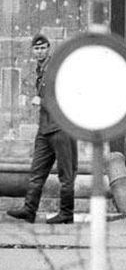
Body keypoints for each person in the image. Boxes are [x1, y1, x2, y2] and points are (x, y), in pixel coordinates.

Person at [7, 34, 78, 224]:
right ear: (33, 51)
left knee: (66, 174)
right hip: (45, 129)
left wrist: (43, 101)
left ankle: (66, 213)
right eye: (36, 49)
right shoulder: (41, 69)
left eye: (43, 48)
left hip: (61, 128)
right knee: (36, 172)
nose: (39, 51)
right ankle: (29, 210)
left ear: (49, 48)